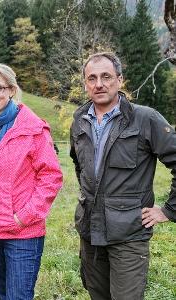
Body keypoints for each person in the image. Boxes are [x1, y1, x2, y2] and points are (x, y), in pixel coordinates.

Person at [70, 52, 176, 300]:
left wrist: (170, 210)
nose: (99, 84)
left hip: (129, 234)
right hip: (90, 231)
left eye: (106, 76)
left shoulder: (145, 118)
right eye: (92, 78)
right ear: (85, 84)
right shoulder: (79, 121)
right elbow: (80, 166)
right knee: (98, 295)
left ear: (119, 80)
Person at [0, 62, 63, 300]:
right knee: (3, 294)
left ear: (11, 90)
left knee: (18, 297)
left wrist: (24, 217)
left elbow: (51, 176)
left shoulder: (33, 128)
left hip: (22, 232)